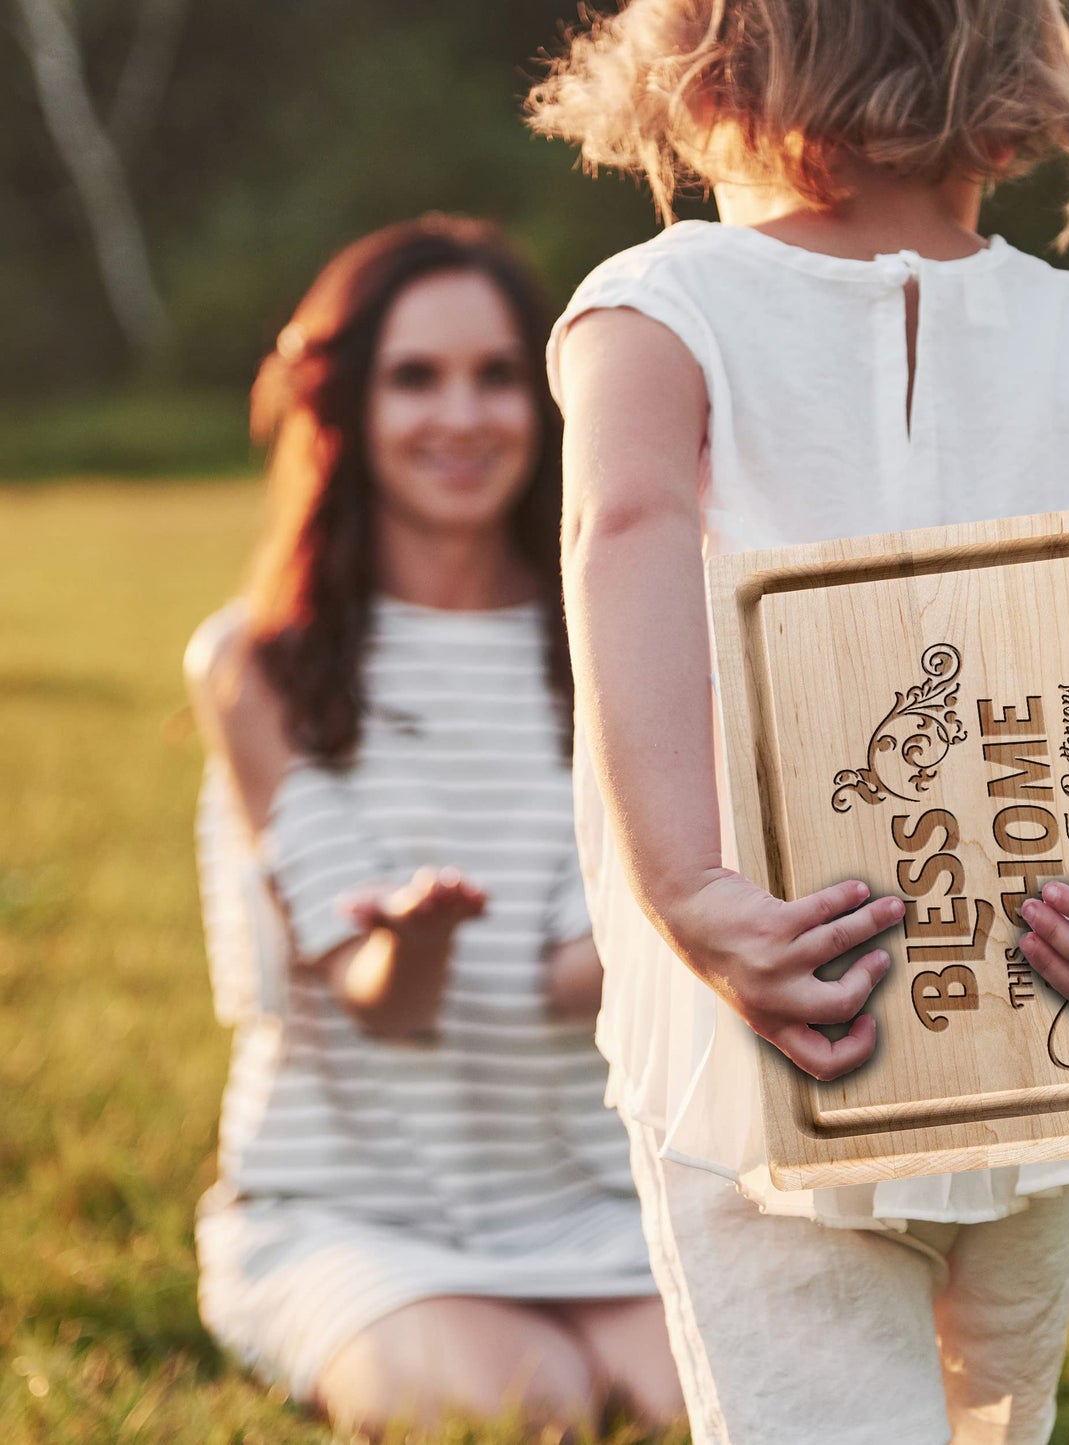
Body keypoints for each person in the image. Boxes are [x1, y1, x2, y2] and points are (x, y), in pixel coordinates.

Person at [527, 4, 1069, 1443]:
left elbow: (621, 529)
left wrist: (693, 887)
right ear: (1017, 91)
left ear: (702, 77)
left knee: (816, 1404)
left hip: (786, 989)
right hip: (1040, 982)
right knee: (1004, 1407)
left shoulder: (660, 304)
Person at [184, 214, 684, 1438]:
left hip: (594, 1198)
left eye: (496, 375)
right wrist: (413, 935)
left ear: (547, 399)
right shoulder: (257, 665)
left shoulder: (613, 640)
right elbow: (381, 999)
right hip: (353, 1208)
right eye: (416, 377)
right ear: (347, 404)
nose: (460, 416)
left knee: (709, 1402)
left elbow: (581, 979)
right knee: (530, 1405)